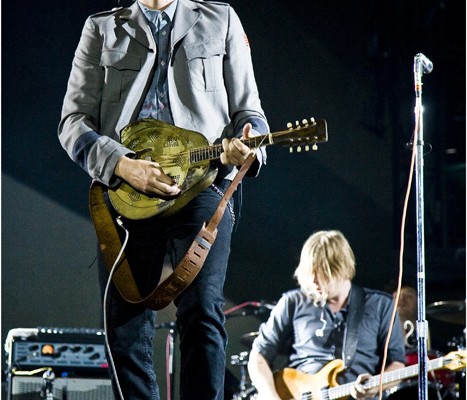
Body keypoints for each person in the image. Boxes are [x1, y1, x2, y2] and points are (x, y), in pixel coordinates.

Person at [58, 0, 269, 399]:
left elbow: (250, 112)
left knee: (203, 311)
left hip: (203, 186)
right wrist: (120, 165)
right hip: (124, 193)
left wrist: (249, 144)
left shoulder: (220, 18)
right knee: (123, 325)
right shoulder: (101, 27)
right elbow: (73, 121)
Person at [247, 230, 406, 400]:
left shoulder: (380, 305)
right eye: (310, 273)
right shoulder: (293, 302)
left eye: (322, 273)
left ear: (341, 268)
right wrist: (271, 396)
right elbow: (258, 357)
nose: (313, 281)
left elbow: (397, 364)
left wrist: (375, 386)